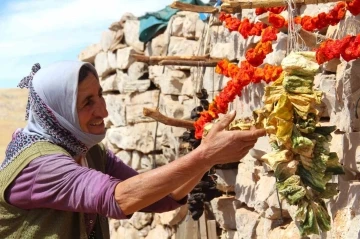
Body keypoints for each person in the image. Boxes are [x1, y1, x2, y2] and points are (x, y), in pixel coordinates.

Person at [0, 61, 266, 239]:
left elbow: (160, 195)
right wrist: (207, 154)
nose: (103, 111)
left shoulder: (91, 153)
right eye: (87, 102)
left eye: (100, 95)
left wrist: (208, 159)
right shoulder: (38, 166)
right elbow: (119, 198)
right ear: (57, 112)